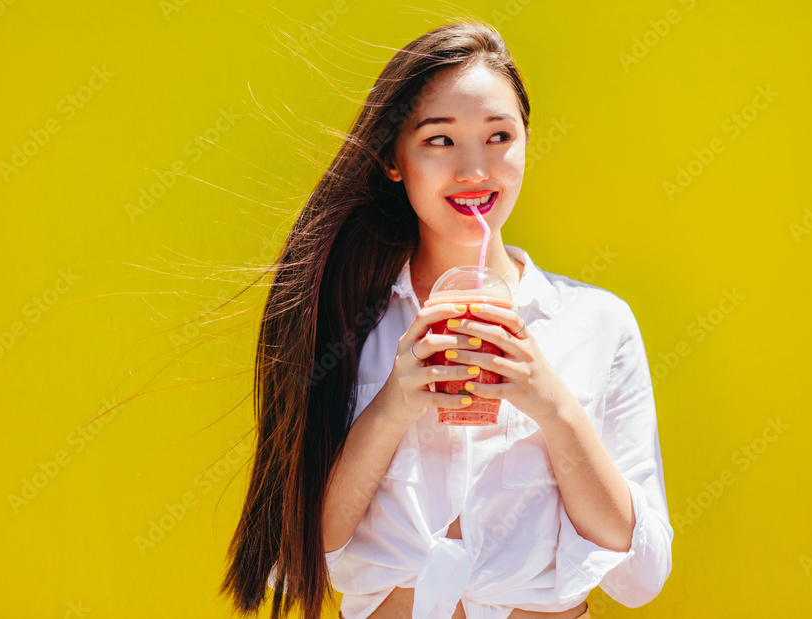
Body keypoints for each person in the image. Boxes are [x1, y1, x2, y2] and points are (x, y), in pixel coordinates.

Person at [220, 20, 672, 619]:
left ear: (526, 142)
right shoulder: (346, 321)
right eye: (438, 140)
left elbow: (640, 577)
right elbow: (293, 555)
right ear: (393, 158)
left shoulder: (597, 323)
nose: (474, 170)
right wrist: (392, 405)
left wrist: (551, 403)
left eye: (499, 136)